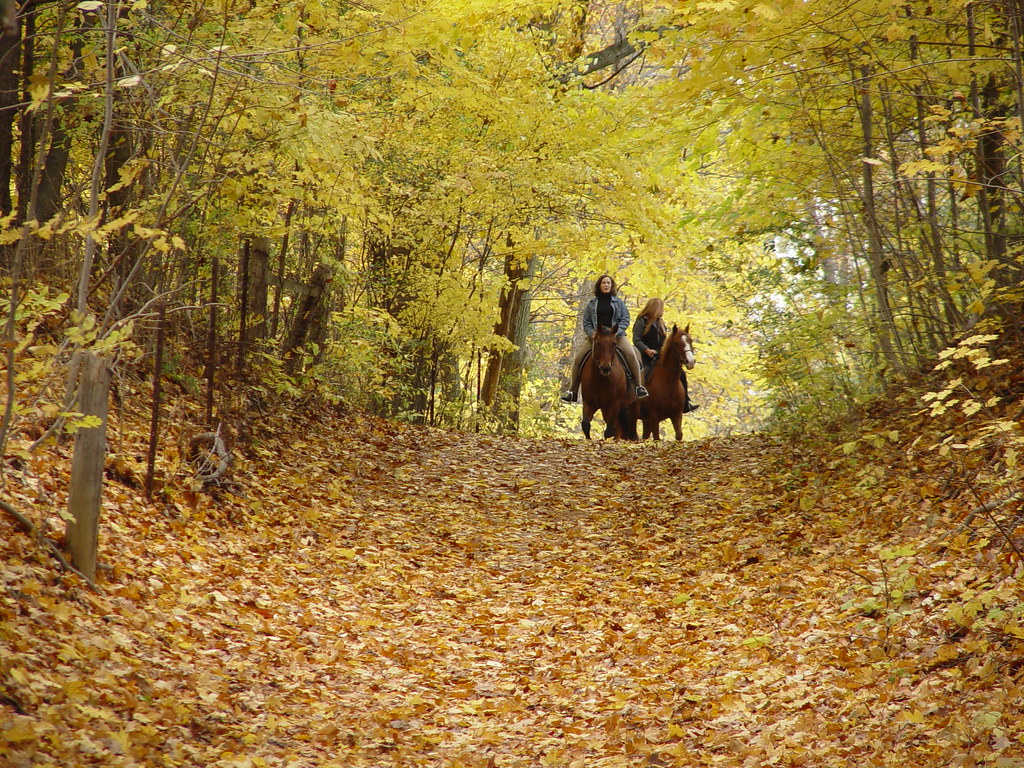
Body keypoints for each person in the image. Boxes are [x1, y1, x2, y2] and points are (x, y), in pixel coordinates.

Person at [561, 275, 649, 403]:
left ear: (611, 286)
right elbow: (586, 322)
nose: (606, 285)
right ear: (599, 286)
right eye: (604, 283)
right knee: (578, 359)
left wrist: (616, 332)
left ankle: (638, 386)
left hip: (616, 336)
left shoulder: (619, 303)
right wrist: (592, 333)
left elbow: (625, 319)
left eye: (608, 283)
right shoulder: (591, 304)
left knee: (631, 354)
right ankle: (572, 391)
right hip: (597, 337)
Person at [632, 297, 699, 413]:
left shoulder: (661, 323)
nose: (662, 311)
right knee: (644, 373)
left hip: (659, 355)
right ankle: (637, 400)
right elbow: (636, 340)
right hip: (644, 356)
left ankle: (686, 402)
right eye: (661, 308)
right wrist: (647, 350)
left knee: (680, 374)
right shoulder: (642, 321)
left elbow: (664, 342)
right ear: (654, 308)